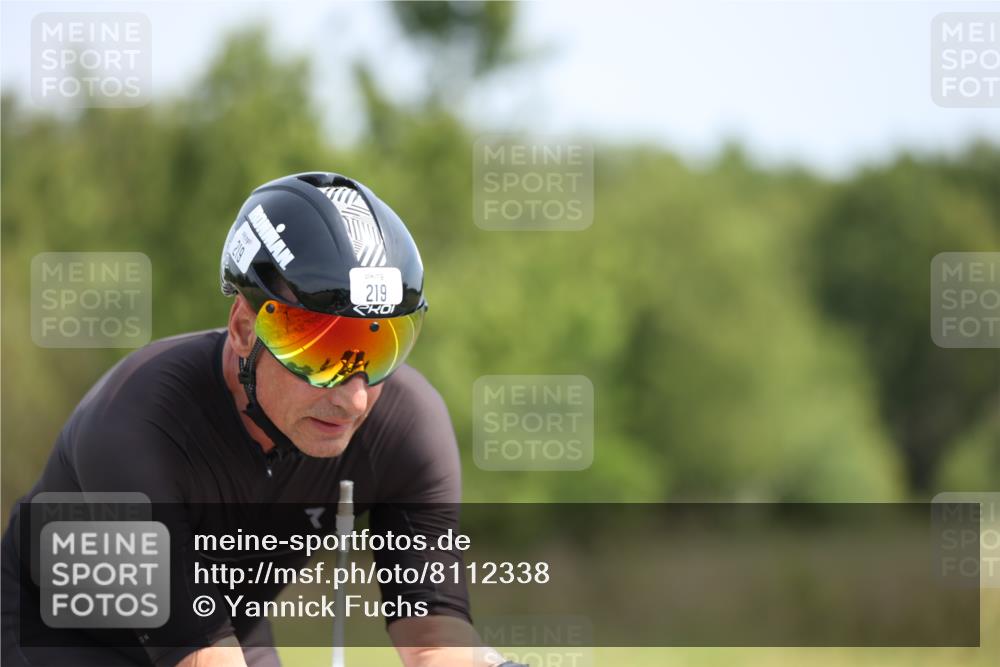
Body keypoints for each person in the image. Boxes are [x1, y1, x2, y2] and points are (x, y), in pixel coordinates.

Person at [1, 172, 526, 667]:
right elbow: (199, 656)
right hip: (53, 636)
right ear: (244, 329)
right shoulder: (135, 423)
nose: (355, 400)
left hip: (227, 627)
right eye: (322, 352)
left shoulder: (405, 427)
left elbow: (435, 640)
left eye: (379, 349)